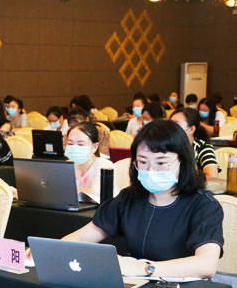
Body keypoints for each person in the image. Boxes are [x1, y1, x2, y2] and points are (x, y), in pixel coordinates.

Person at [54, 120, 223, 279]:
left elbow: (206, 265)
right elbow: (81, 238)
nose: (151, 170)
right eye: (143, 162)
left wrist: (142, 269)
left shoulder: (203, 205)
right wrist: (53, 251)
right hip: (136, 284)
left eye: (161, 163)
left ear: (183, 161)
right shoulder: (129, 198)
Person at [65, 122, 116, 202]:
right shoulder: (66, 166)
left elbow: (95, 195)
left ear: (94, 147)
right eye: (70, 143)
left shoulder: (104, 165)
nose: (74, 148)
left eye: (80, 145)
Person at [171, 108, 218, 180]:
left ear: (191, 129)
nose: (171, 128)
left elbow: (212, 177)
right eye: (170, 124)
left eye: (176, 124)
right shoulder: (166, 147)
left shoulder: (202, 148)